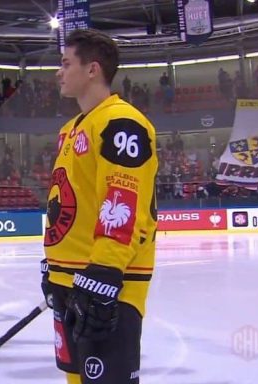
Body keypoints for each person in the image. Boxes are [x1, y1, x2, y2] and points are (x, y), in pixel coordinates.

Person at [42, 29, 158, 384]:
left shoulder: (121, 122)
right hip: (69, 275)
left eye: (65, 64)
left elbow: (122, 197)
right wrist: (51, 266)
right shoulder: (72, 128)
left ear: (92, 69)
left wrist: (105, 270)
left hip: (108, 282)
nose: (58, 73)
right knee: (75, 378)